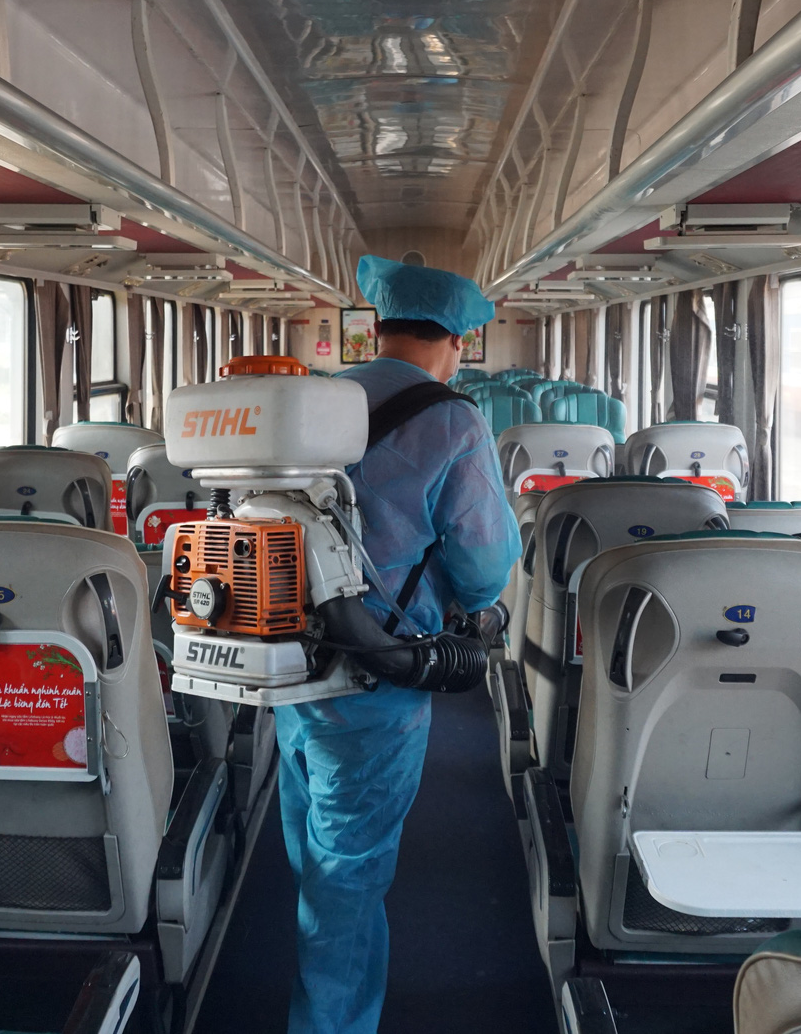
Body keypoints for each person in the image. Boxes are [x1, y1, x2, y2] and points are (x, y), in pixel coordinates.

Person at [276, 254, 523, 1034]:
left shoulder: (311, 402)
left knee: (315, 857)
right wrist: (476, 612)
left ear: (376, 328)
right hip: (375, 682)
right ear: (455, 340)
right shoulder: (454, 420)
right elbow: (484, 562)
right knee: (347, 881)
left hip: (289, 667)